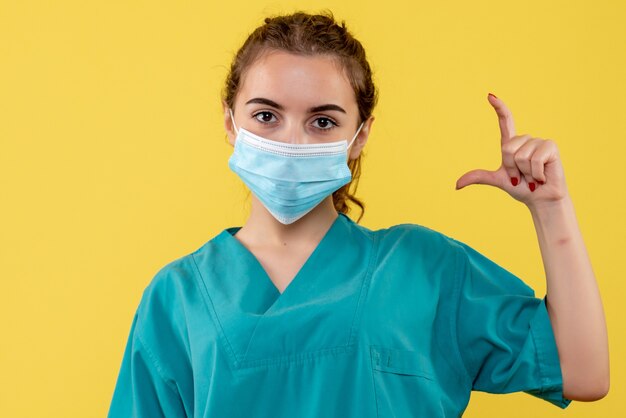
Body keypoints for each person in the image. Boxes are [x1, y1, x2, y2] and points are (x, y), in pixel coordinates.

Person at [107, 10, 609, 417]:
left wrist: (551, 209)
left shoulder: (421, 268)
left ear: (360, 135)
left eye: (322, 121)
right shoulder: (177, 298)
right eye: (266, 116)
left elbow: (582, 373)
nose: (291, 140)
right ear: (231, 123)